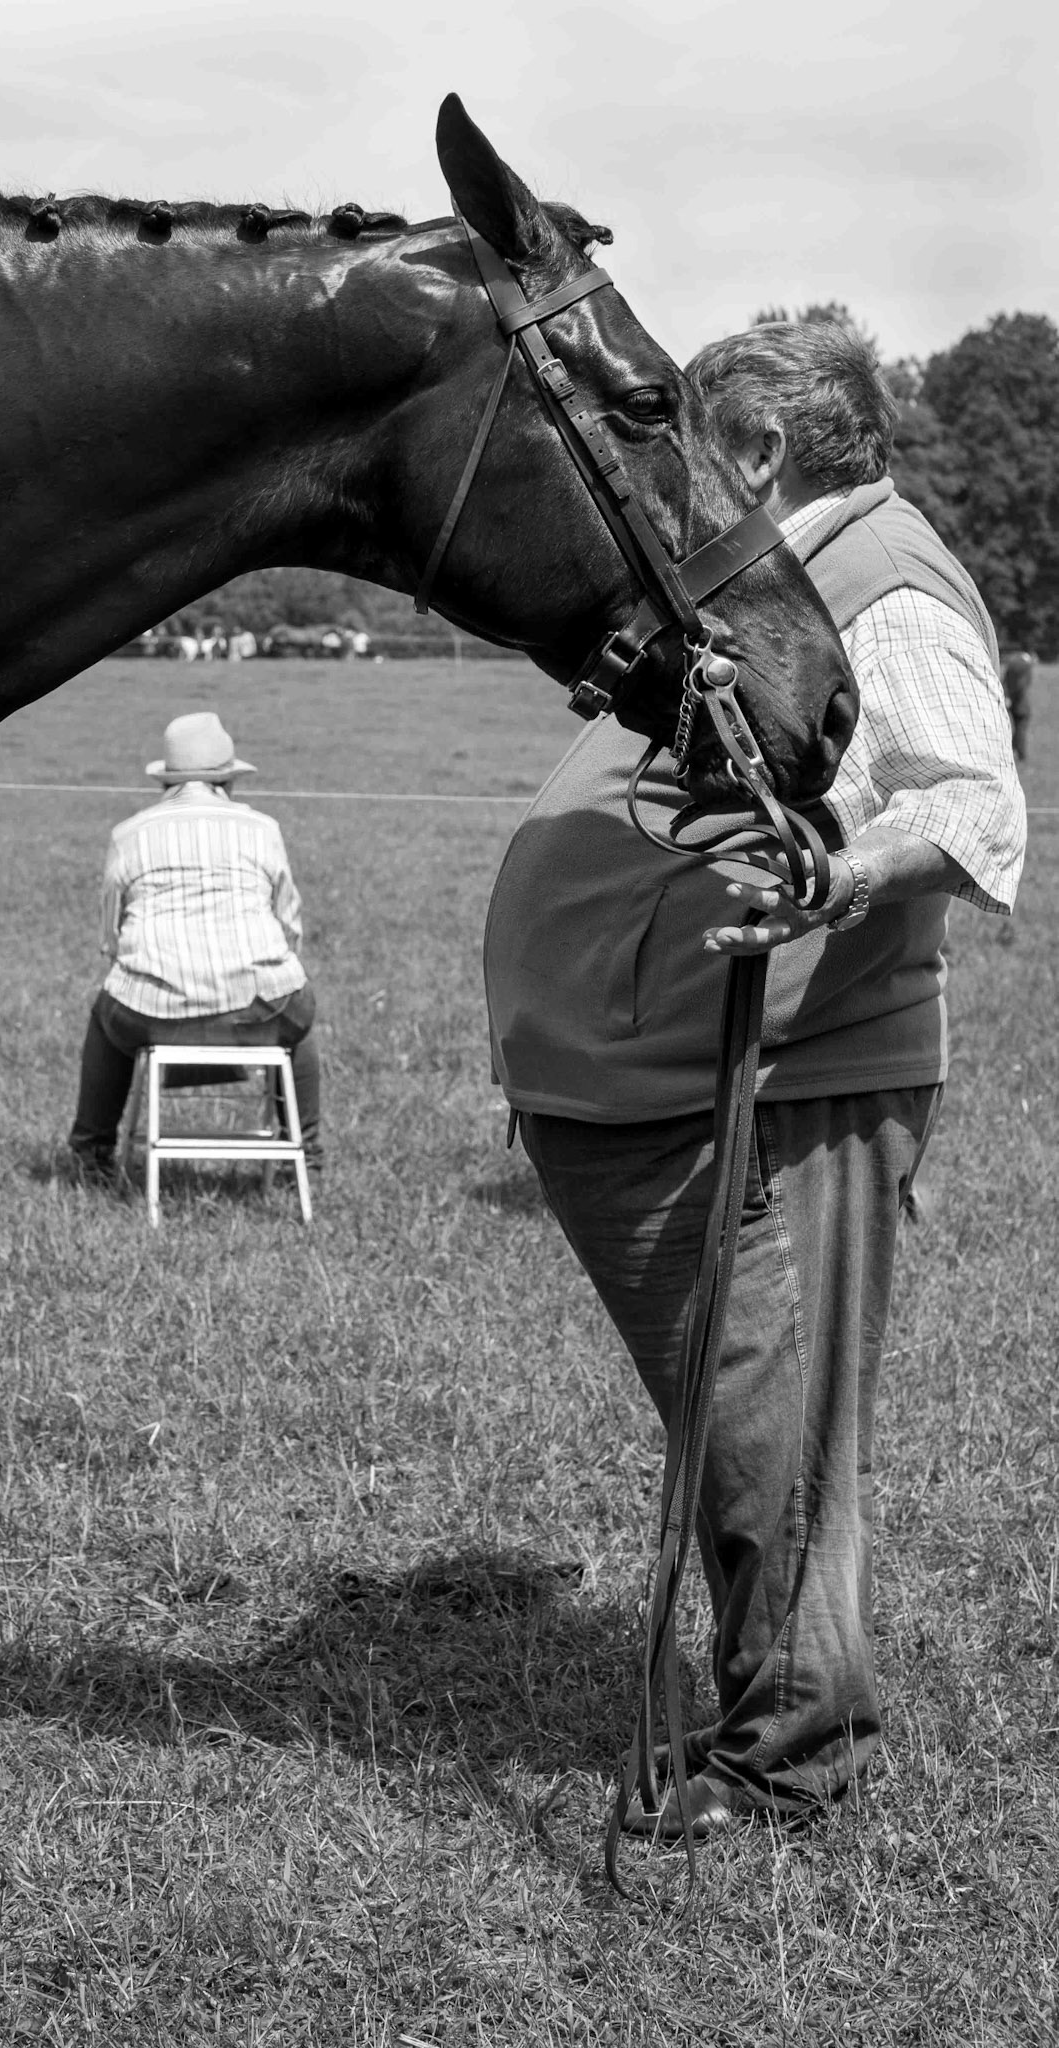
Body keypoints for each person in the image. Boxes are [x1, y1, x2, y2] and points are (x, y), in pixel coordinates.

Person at [483, 320, 1025, 1838]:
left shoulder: (883, 577)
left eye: (688, 450)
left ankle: (795, 1752)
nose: (666, 490)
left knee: (768, 1433)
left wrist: (836, 884)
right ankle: (783, 1696)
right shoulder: (771, 581)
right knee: (738, 1423)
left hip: (787, 1085)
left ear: (764, 450)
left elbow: (973, 807)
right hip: (667, 1081)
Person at [67, 711, 321, 1183]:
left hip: (151, 1014)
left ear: (166, 781)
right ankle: (304, 1157)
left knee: (106, 1012)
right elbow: (290, 926)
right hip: (261, 1009)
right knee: (299, 1014)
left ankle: (91, 1154)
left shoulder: (129, 833)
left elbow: (112, 940)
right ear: (228, 779)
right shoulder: (262, 829)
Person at [1001, 647, 1036, 763]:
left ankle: (1009, 750)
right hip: (1021, 704)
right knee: (1021, 728)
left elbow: (1004, 680)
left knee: (1016, 728)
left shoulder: (1012, 664)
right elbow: (1021, 686)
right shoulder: (1025, 667)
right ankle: (1021, 754)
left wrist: (1007, 696)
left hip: (1010, 702)